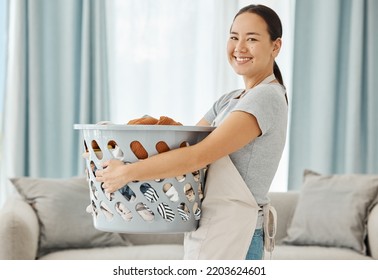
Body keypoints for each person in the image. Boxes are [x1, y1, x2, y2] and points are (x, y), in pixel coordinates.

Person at [95, 4, 288, 260]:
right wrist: (123, 140)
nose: (239, 47)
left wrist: (127, 173)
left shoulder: (265, 97)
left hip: (234, 233)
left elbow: (198, 156)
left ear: (275, 46)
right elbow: (182, 145)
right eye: (233, 37)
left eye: (251, 39)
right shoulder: (230, 100)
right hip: (214, 227)